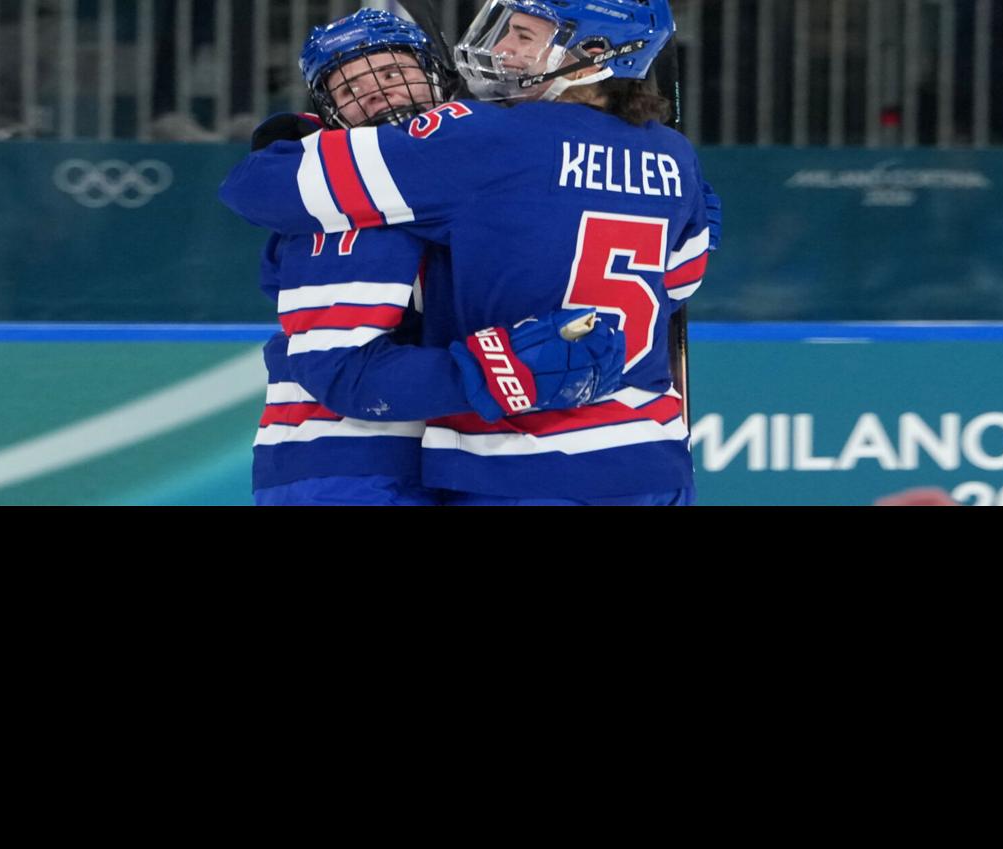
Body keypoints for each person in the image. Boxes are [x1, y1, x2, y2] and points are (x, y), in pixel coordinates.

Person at [224, 0, 714, 506]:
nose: (501, 48)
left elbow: (257, 188)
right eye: (348, 89)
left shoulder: (482, 137)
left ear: (592, 53)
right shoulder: (675, 157)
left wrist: (301, 143)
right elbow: (679, 279)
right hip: (653, 458)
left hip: (521, 465)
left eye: (523, 37)